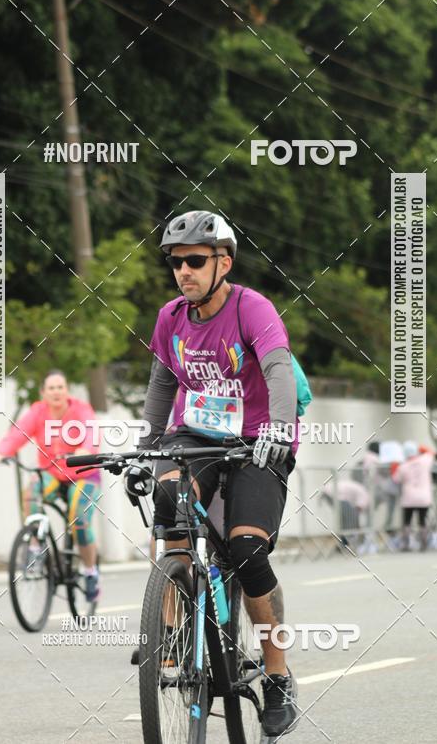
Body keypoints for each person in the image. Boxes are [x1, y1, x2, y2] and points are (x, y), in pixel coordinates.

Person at [125, 210, 300, 738]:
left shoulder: (252, 308)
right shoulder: (170, 317)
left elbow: (278, 369)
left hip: (256, 441)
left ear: (224, 262)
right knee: (168, 502)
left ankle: (277, 674)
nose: (184, 271)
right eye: (176, 262)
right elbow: (162, 383)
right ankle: (173, 628)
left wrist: (279, 429)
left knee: (247, 551)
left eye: (196, 260)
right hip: (194, 437)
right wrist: (146, 446)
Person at [0, 370, 102, 602]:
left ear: (67, 390)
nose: (56, 392)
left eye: (60, 387)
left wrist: (86, 449)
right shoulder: (38, 412)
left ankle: (90, 571)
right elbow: (17, 434)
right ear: (43, 392)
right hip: (52, 472)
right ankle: (35, 547)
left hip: (84, 474)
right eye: (51, 388)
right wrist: (2, 452)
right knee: (32, 492)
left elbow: (91, 431)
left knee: (79, 519)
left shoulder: (81, 410)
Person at [392, 441, 434, 551]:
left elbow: (396, 479)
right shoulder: (425, 460)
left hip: (409, 498)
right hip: (424, 497)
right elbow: (431, 453)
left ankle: (406, 544)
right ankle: (424, 544)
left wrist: (394, 465)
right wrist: (420, 447)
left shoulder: (403, 467)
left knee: (407, 521)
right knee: (422, 520)